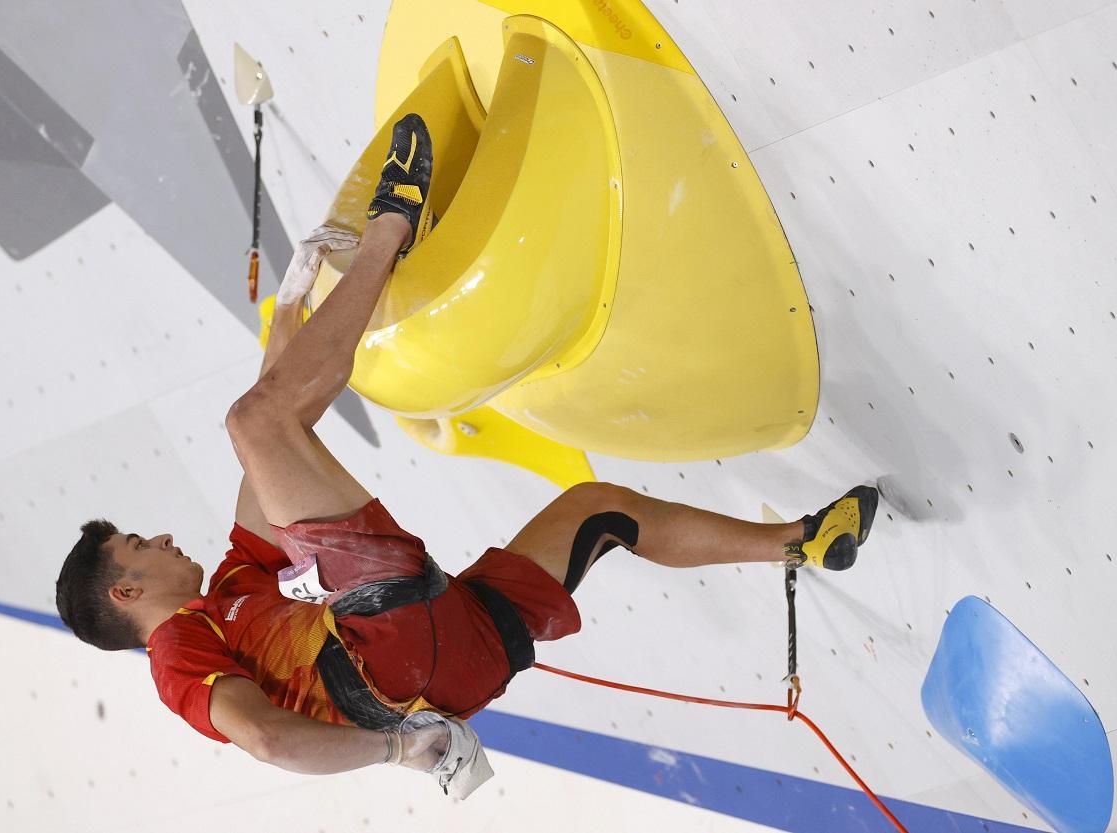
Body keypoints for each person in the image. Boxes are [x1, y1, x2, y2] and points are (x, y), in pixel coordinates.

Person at [55, 113, 879, 796]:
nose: (161, 537)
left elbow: (275, 441)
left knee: (596, 510)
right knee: (250, 421)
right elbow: (267, 740)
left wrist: (292, 307)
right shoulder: (175, 655)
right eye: (140, 545)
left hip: (456, 659)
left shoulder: (237, 583)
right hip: (389, 662)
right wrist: (395, 750)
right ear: (126, 590)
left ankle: (797, 541)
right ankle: (393, 226)